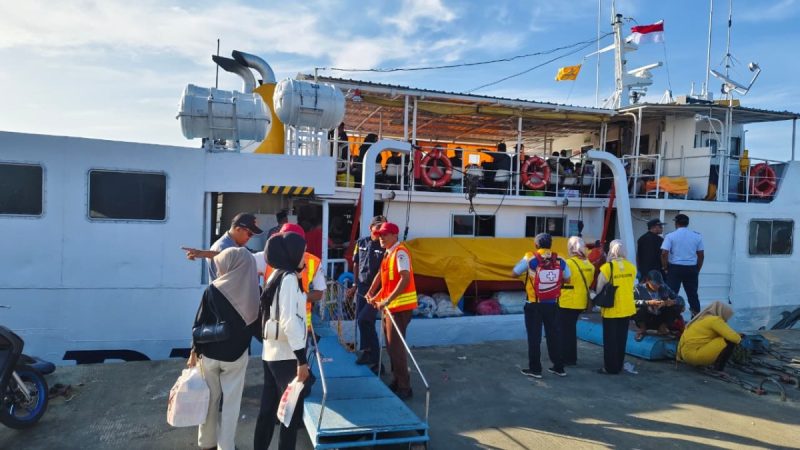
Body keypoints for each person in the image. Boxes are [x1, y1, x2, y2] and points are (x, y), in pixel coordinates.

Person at [190, 247, 260, 450]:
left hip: (209, 354)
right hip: (236, 356)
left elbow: (199, 323)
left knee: (210, 400)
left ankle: (206, 443)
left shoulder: (212, 289)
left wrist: (194, 350)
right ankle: (226, 446)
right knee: (231, 404)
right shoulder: (254, 291)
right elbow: (257, 326)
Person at [254, 232, 311, 450]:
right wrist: (302, 359)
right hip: (287, 356)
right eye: (302, 251)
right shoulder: (287, 279)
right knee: (290, 416)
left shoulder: (276, 274)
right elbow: (289, 321)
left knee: (267, 411)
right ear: (292, 253)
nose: (304, 254)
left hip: (271, 353)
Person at [366, 221, 418, 399]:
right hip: (391, 308)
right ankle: (398, 381)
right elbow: (388, 282)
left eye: (385, 234)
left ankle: (404, 387)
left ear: (395, 235)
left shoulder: (400, 253)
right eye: (380, 235)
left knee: (396, 348)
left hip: (399, 308)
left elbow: (404, 280)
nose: (381, 237)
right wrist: (376, 297)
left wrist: (385, 300)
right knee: (391, 347)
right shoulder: (390, 254)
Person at [512, 233, 571, 378]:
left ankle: (535, 369)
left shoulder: (530, 258)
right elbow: (568, 279)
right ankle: (559, 367)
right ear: (551, 244)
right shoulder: (560, 258)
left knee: (534, 337)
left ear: (536, 245)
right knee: (554, 335)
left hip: (534, 303)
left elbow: (514, 273)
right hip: (553, 304)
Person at [256, 223, 325, 332]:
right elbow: (242, 264)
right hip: (273, 324)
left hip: (299, 323)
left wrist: (295, 298)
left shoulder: (313, 262)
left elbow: (319, 293)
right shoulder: (265, 257)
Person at [347, 215, 387, 373]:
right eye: (378, 227)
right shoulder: (361, 242)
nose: (381, 231)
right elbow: (356, 262)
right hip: (362, 288)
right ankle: (367, 352)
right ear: (371, 227)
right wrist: (355, 284)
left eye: (383, 227)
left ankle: (378, 361)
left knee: (366, 320)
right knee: (361, 321)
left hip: (376, 291)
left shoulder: (384, 246)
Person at [595, 240, 637, 375]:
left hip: (612, 308)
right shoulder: (631, 267)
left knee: (610, 339)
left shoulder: (607, 268)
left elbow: (599, 287)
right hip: (627, 307)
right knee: (621, 338)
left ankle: (610, 367)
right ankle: (619, 365)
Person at [183, 212, 263, 281]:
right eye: (250, 234)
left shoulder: (237, 245)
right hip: (225, 297)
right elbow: (227, 257)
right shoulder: (223, 246)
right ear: (238, 229)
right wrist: (203, 253)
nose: (250, 238)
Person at [558, 236, 595, 366]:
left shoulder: (568, 263)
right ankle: (571, 357)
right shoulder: (589, 265)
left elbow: (561, 280)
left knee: (565, 330)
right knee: (570, 329)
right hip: (581, 301)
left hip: (566, 301)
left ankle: (567, 358)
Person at [677, 301, 742, 371]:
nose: (726, 319)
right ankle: (718, 368)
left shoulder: (702, 318)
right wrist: (739, 336)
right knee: (729, 340)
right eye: (727, 316)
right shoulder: (715, 320)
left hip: (685, 355)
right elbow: (734, 338)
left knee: (723, 337)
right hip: (694, 356)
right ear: (722, 312)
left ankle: (710, 363)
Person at [661, 214, 705, 316]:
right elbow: (701, 255)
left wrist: (665, 267)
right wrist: (697, 269)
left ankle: (670, 320)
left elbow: (664, 254)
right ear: (687, 223)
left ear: (676, 223)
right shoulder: (697, 236)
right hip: (691, 269)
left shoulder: (670, 236)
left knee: (671, 295)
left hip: (675, 269)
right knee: (692, 295)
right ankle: (696, 319)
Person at [633, 270, 686, 341]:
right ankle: (643, 328)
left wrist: (670, 302)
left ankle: (663, 327)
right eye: (655, 284)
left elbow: (680, 299)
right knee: (638, 308)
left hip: (659, 316)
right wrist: (648, 303)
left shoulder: (664, 287)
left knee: (677, 306)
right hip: (646, 317)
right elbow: (630, 302)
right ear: (647, 281)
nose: (657, 286)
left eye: (659, 284)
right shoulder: (638, 289)